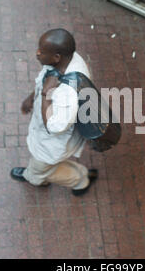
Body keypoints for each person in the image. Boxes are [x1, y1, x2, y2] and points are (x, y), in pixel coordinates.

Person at [10, 29, 98, 196]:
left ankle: (80, 180)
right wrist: (32, 96)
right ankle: (44, 175)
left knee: (39, 171)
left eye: (42, 51)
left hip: (51, 144)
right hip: (47, 141)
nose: (37, 53)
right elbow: (43, 78)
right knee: (44, 167)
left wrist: (45, 94)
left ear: (57, 57)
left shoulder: (67, 93)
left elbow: (55, 126)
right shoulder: (66, 60)